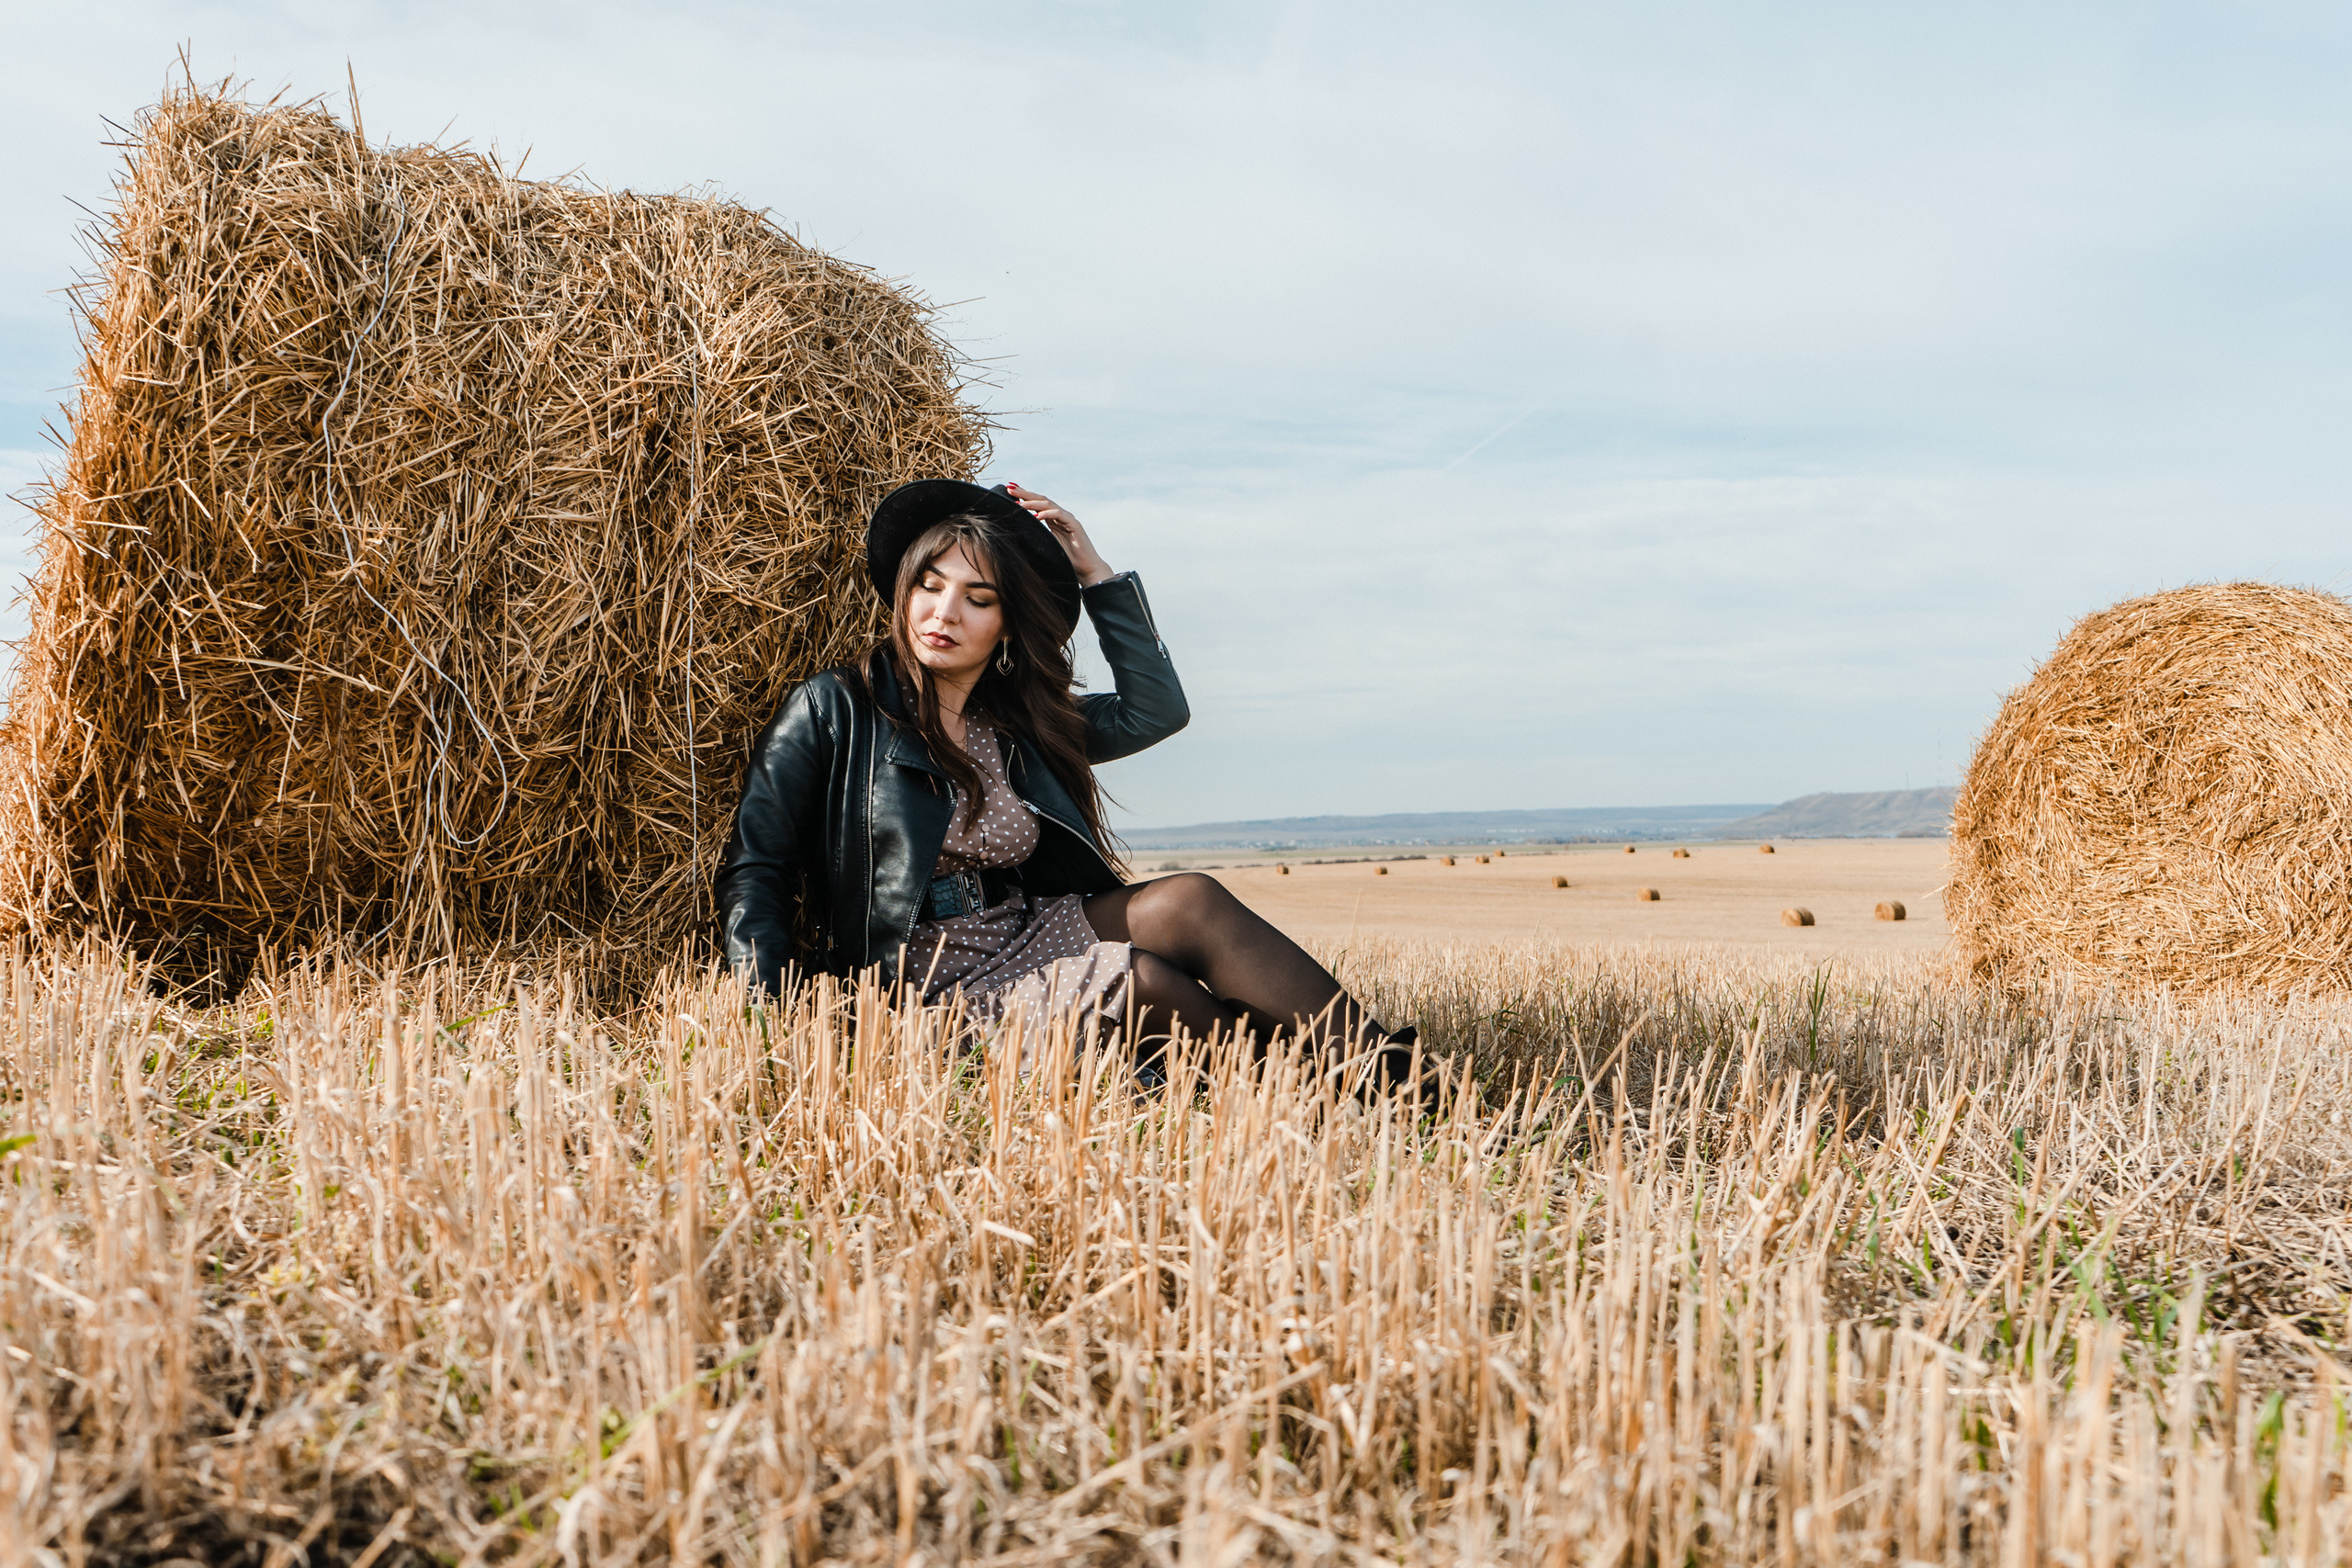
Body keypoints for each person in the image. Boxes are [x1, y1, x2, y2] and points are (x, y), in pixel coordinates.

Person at [713, 478, 1423, 1091]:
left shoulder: (1021, 721)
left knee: (1190, 900)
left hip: (1024, 930)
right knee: (1142, 978)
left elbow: (1157, 710)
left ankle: (1391, 1081)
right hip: (919, 982)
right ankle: (1298, 1092)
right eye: (929, 585)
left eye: (977, 598)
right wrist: (770, 1021)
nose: (943, 613)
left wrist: (1098, 577)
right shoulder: (836, 708)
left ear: (1009, 623)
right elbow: (758, 866)